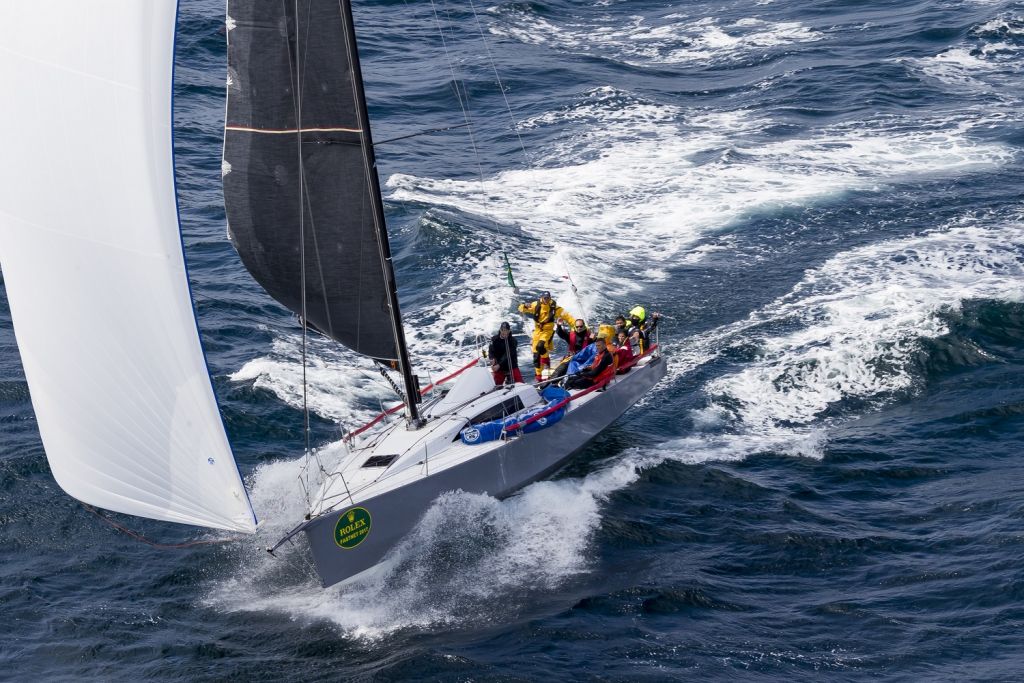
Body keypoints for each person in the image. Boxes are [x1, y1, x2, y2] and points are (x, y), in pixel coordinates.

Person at [518, 291, 575, 382]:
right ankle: (539, 377)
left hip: (547, 331)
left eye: (548, 298)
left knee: (540, 346)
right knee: (536, 356)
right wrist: (523, 306)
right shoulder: (535, 305)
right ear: (542, 298)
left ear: (550, 298)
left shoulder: (554, 308)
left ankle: (546, 361)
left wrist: (574, 324)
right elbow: (522, 308)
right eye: (545, 298)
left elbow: (567, 316)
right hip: (537, 332)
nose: (546, 300)